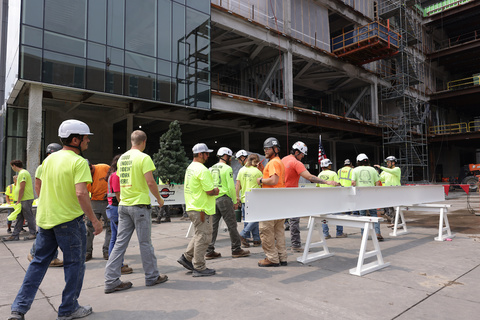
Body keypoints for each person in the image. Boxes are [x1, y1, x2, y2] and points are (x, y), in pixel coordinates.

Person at [8, 119, 103, 320]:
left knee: (38, 263)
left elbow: (38, 187)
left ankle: (18, 309)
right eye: (86, 138)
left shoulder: (48, 161)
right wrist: (94, 220)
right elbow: (81, 194)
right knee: (74, 265)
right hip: (69, 221)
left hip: (45, 219)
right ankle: (68, 309)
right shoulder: (79, 162)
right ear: (76, 139)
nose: (88, 141)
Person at [104, 130, 168, 293]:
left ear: (132, 141)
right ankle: (152, 276)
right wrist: (159, 199)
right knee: (145, 243)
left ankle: (111, 279)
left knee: (120, 243)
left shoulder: (123, 158)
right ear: (144, 142)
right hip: (139, 206)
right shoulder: (143, 158)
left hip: (123, 205)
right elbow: (150, 182)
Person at [282, 141, 339, 252]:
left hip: (279, 193)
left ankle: (279, 245)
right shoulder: (296, 163)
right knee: (294, 220)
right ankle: (296, 245)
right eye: (302, 154)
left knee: (278, 221)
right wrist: (327, 182)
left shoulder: (283, 160)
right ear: (297, 152)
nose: (303, 156)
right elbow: (310, 177)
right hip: (291, 195)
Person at [177, 143, 219, 277]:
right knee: (204, 237)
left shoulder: (190, 168)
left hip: (193, 206)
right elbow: (209, 191)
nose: (208, 156)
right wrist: (216, 190)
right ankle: (199, 267)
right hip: (202, 208)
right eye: (206, 153)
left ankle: (187, 257)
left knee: (198, 235)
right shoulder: (202, 169)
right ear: (200, 154)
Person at [205, 147, 250, 260]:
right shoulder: (227, 169)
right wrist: (235, 201)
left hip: (213, 199)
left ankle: (209, 250)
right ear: (225, 156)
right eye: (230, 157)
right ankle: (236, 249)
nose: (231, 159)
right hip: (224, 199)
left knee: (213, 226)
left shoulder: (211, 168)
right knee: (232, 225)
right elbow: (230, 186)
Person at [27, 142, 64, 267]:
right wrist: (46, 200)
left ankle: (51, 257)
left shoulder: (48, 166)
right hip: (49, 205)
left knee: (50, 232)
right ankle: (34, 253)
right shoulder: (43, 167)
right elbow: (38, 186)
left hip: (51, 204)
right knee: (47, 232)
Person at [256, 137, 287, 267]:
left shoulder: (273, 162)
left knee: (266, 230)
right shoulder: (277, 162)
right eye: (265, 148)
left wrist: (260, 180)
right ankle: (282, 257)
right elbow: (277, 181)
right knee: (279, 231)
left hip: (270, 201)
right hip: (278, 201)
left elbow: (273, 181)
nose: (265, 151)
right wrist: (263, 171)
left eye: (268, 148)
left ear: (275, 149)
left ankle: (272, 258)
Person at [105, 155, 133, 275]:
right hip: (116, 209)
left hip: (113, 209)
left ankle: (116, 263)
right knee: (119, 240)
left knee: (115, 238)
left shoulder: (113, 175)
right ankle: (117, 265)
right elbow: (118, 194)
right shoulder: (116, 176)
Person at [351, 153, 383, 241]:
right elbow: (377, 183)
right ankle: (377, 233)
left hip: (361, 195)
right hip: (371, 195)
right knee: (374, 214)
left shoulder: (355, 170)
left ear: (358, 162)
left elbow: (353, 183)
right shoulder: (372, 169)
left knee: (362, 215)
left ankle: (363, 235)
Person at [3, 160, 36, 241]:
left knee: (29, 216)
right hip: (24, 199)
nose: (12, 168)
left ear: (14, 165)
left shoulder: (23, 173)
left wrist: (18, 200)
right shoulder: (22, 173)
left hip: (25, 199)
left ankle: (33, 233)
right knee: (20, 217)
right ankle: (15, 235)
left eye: (12, 166)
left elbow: (22, 188)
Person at [86, 162, 112, 261]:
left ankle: (107, 251)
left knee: (110, 227)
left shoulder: (104, 168)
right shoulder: (83, 174)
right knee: (89, 227)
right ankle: (87, 252)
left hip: (107, 202)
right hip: (94, 202)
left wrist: (111, 192)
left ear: (91, 167)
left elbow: (115, 178)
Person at [236, 153, 263, 248]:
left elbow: (238, 185)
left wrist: (237, 197)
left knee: (248, 219)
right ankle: (243, 234)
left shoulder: (241, 170)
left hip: (244, 198)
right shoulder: (258, 172)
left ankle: (255, 239)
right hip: (255, 199)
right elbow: (262, 185)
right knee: (256, 218)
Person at [317, 158, 347, 239]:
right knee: (338, 215)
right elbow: (338, 184)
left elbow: (317, 186)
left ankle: (326, 234)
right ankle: (339, 233)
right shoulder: (333, 173)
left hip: (323, 198)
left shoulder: (319, 175)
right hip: (334, 198)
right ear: (328, 165)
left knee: (324, 217)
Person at [374, 156, 401, 224]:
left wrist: (381, 167)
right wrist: (375, 173)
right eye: (387, 162)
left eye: (388, 162)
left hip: (396, 192)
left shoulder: (397, 169)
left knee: (396, 209)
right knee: (390, 209)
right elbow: (380, 178)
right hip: (388, 192)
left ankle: (399, 223)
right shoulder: (385, 172)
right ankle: (393, 222)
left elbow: (390, 171)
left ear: (393, 162)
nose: (387, 164)